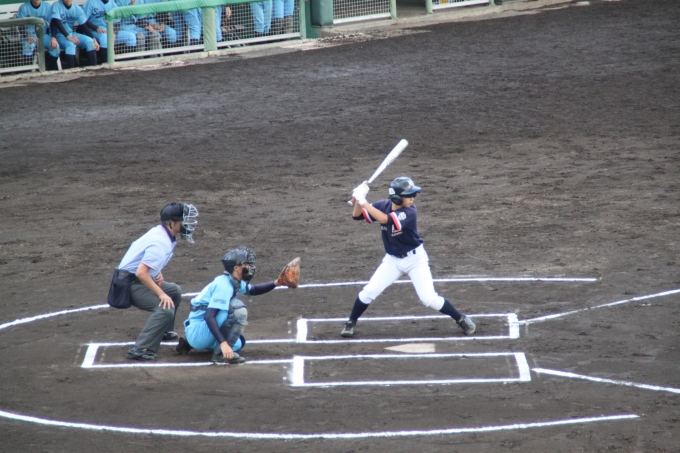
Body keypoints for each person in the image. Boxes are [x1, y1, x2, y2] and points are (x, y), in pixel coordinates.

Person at [340, 177, 476, 337]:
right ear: (397, 198)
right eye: (409, 195)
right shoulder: (383, 205)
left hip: (415, 260)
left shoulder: (410, 212)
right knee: (369, 291)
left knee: (429, 299)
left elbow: (384, 219)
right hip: (392, 260)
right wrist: (359, 198)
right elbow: (357, 216)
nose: (412, 199)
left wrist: (363, 200)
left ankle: (460, 318)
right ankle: (351, 322)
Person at [177, 247, 295, 364]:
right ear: (236, 268)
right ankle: (219, 354)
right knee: (237, 310)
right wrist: (223, 343)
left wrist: (277, 282)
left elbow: (254, 289)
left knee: (237, 343)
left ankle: (189, 344)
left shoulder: (232, 280)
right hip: (198, 331)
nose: (249, 267)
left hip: (200, 331)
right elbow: (209, 316)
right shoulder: (224, 286)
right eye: (246, 264)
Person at [115, 202, 198, 361]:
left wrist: (156, 272)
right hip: (127, 285)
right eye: (183, 220)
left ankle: (164, 330)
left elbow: (143, 259)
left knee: (174, 291)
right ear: (172, 223)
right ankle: (141, 348)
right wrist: (161, 294)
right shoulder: (161, 242)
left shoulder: (163, 234)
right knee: (165, 307)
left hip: (134, 278)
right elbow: (141, 273)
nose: (187, 224)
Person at [50, 0, 100, 68]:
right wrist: (68, 37)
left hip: (71, 33)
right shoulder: (56, 5)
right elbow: (56, 22)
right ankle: (72, 70)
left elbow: (84, 25)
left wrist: (93, 38)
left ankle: (94, 68)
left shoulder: (76, 8)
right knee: (70, 44)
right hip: (59, 35)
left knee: (90, 41)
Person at [16, 0, 60, 70]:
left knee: (55, 47)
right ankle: (28, 71)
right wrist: (27, 36)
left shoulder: (47, 6)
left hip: (42, 35)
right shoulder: (24, 7)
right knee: (29, 47)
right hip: (28, 36)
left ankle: (49, 69)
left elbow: (53, 23)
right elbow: (20, 25)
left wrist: (53, 37)